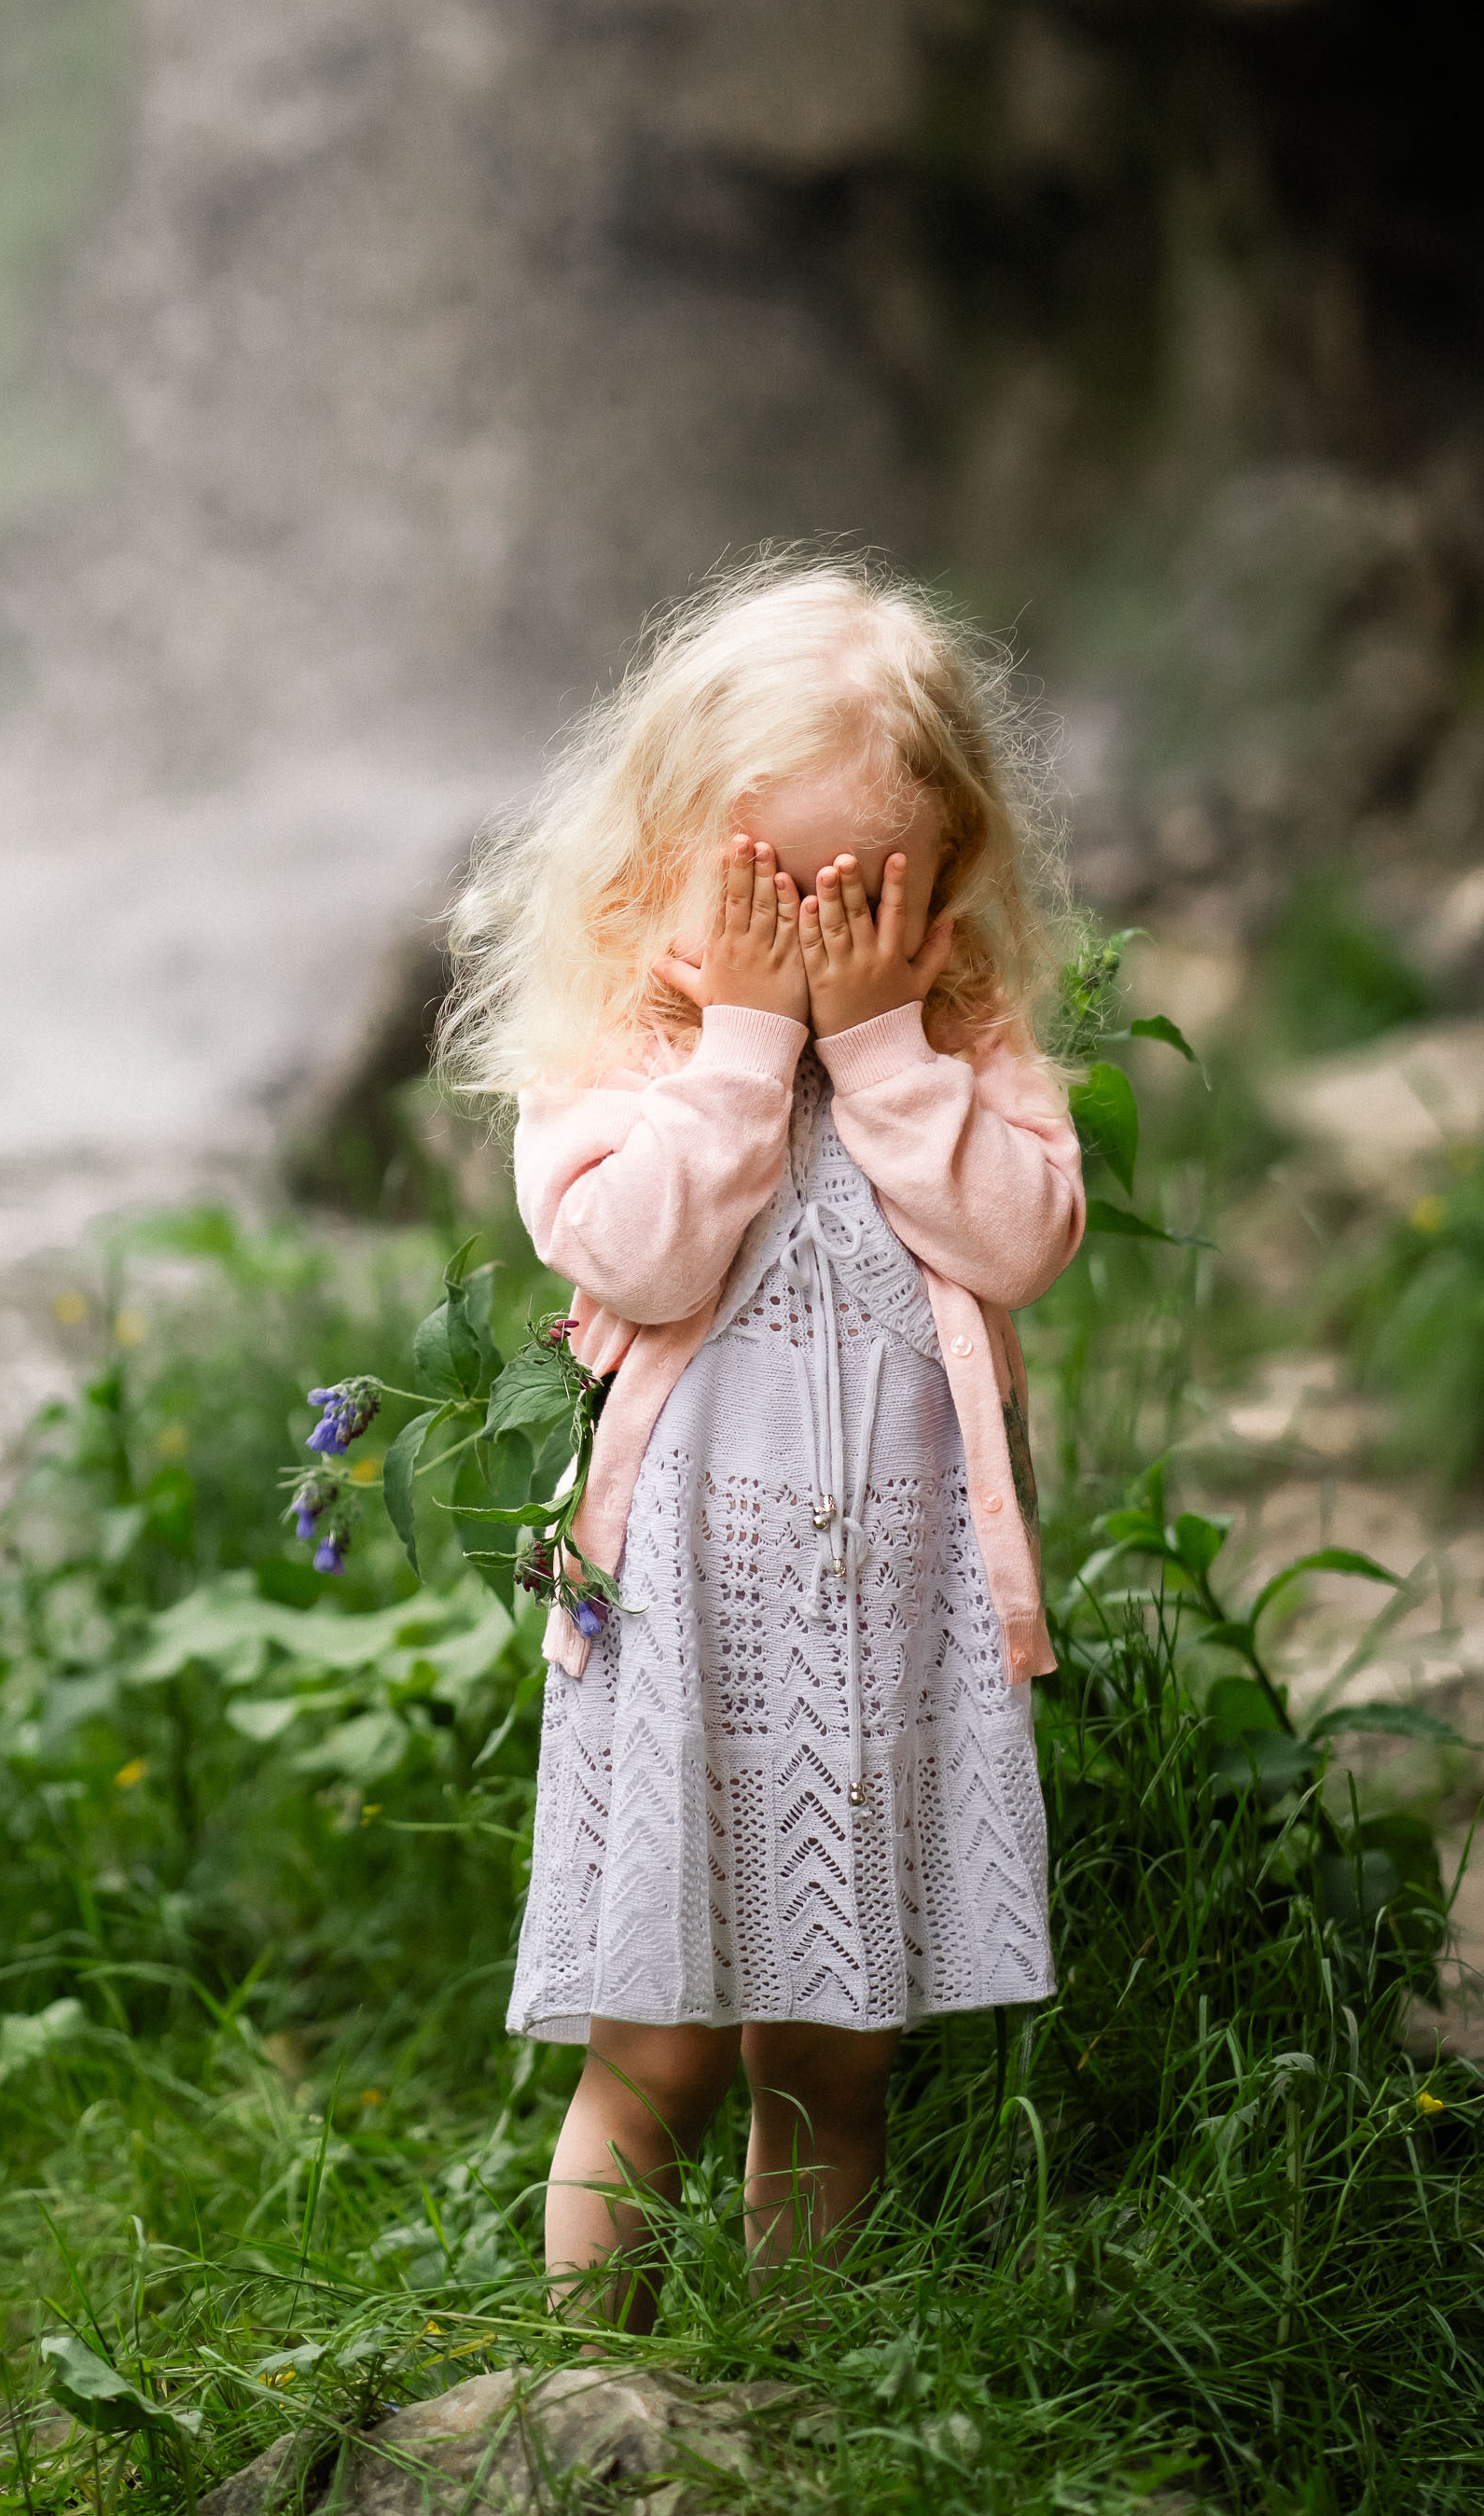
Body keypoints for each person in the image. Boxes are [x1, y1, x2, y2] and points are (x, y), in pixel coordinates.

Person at [438, 557, 1085, 2329]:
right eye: (771, 886)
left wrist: (880, 1045)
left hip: (883, 1641)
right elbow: (635, 1252)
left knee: (830, 2063)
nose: (814, 931)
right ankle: (594, 2378)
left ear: (950, 878)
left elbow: (1017, 1239)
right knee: (649, 2058)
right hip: (682, 1643)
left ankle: (800, 2384)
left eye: (864, 889)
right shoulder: (620, 1052)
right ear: (670, 862)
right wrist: (740, 1046)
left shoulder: (959, 1038)